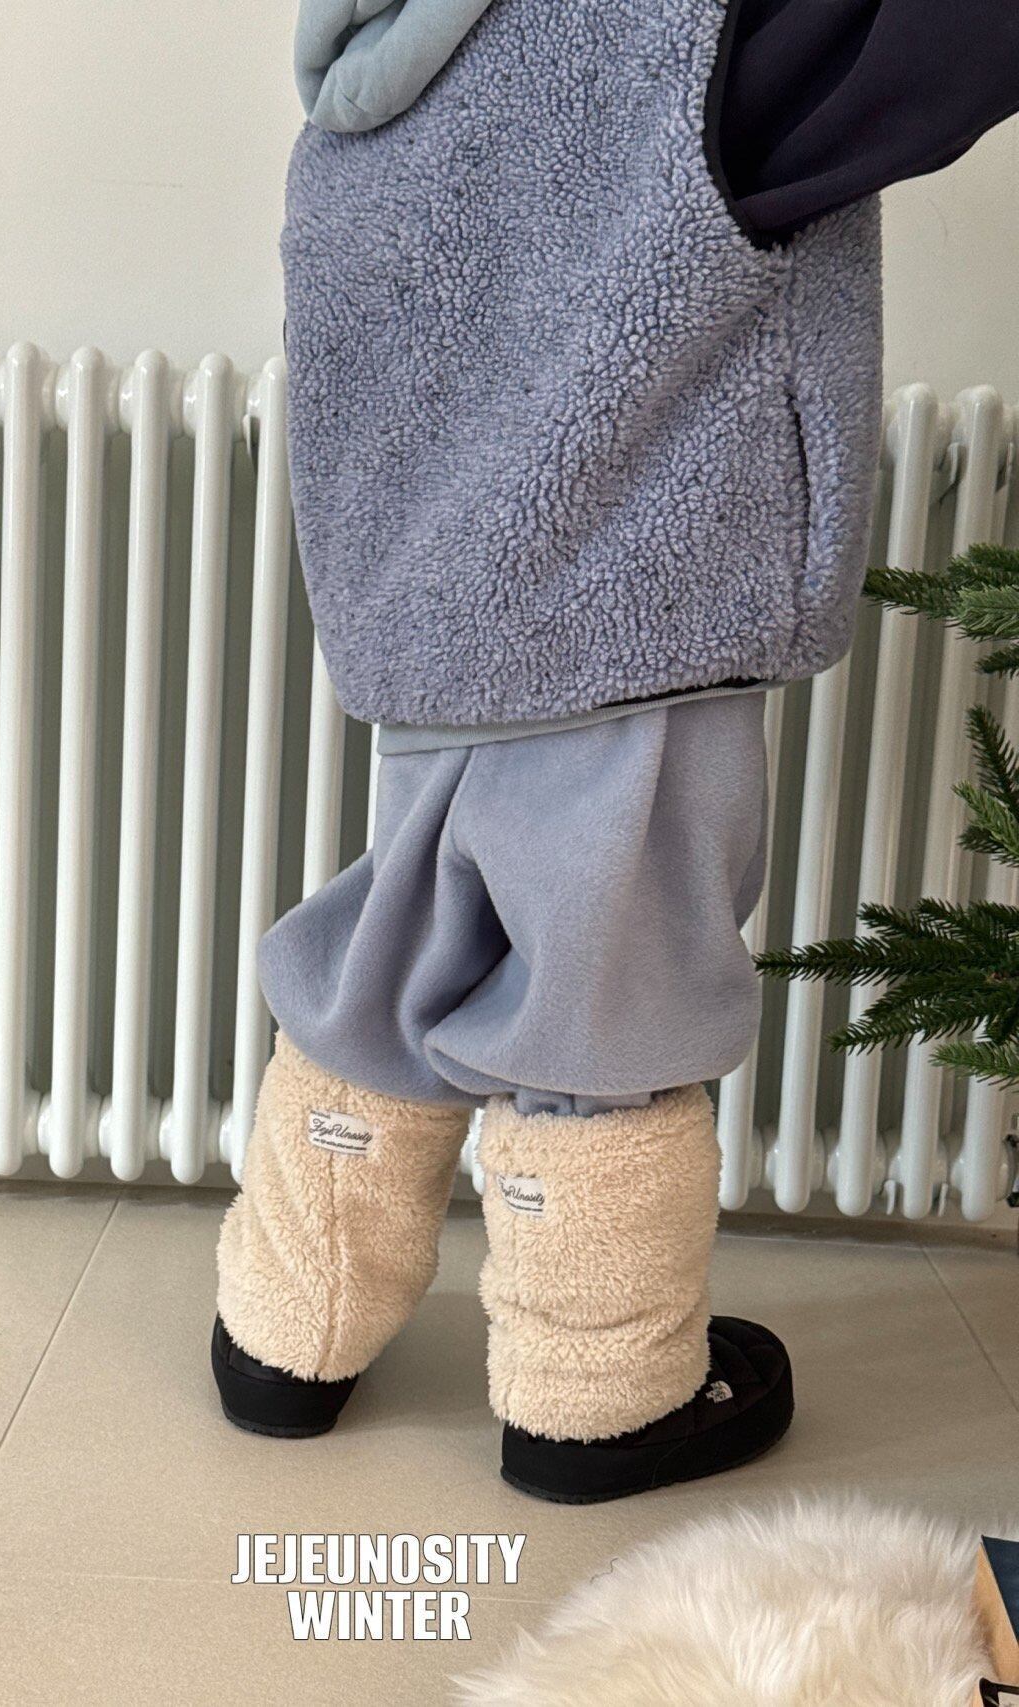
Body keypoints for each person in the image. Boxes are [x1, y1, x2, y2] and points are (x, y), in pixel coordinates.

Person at [212, 0, 1019, 1503]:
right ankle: (600, 1400)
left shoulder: (382, 70)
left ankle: (286, 1329)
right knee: (608, 993)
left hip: (433, 616)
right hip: (630, 601)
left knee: (398, 943)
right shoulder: (674, 31)